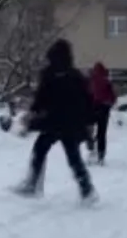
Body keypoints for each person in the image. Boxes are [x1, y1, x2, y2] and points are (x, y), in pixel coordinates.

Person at [13, 39, 98, 203]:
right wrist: (88, 123)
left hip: (52, 122)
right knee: (73, 157)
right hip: (69, 123)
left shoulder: (49, 74)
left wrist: (33, 112)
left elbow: (41, 97)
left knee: (40, 150)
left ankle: (31, 184)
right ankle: (86, 189)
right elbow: (86, 101)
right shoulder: (76, 76)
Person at [86, 62, 116, 164]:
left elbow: (86, 95)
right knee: (102, 133)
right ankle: (101, 155)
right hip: (104, 109)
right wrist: (109, 103)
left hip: (92, 109)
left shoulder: (91, 81)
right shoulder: (106, 81)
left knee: (89, 129)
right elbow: (113, 97)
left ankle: (91, 145)